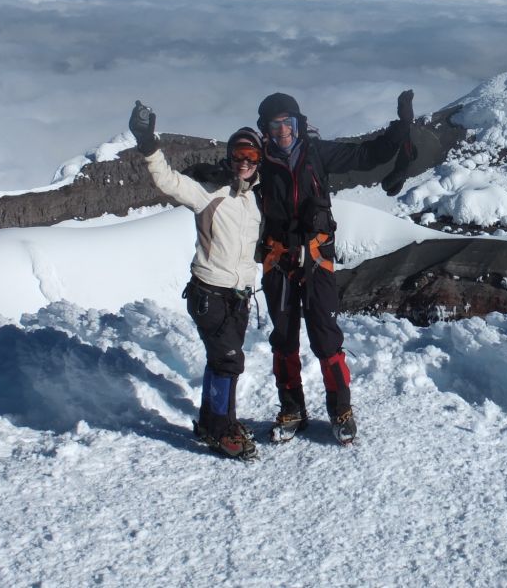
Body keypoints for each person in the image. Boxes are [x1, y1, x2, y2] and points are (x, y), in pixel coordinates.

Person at [257, 89, 416, 445]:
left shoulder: (317, 153)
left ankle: (340, 409)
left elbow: (367, 154)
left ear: (297, 123)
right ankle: (293, 409)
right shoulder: (259, 160)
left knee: (325, 336)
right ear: (265, 128)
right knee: (283, 339)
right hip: (278, 260)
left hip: (315, 259)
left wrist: (402, 127)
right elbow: (226, 174)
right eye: (274, 124)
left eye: (287, 122)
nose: (282, 130)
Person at [129, 100, 264, 461]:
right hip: (210, 294)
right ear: (230, 157)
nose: (245, 162)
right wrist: (147, 144)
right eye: (239, 154)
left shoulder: (252, 200)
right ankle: (222, 431)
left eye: (251, 155)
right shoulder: (210, 191)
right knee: (229, 362)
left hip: (238, 296)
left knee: (220, 362)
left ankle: (212, 422)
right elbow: (169, 182)